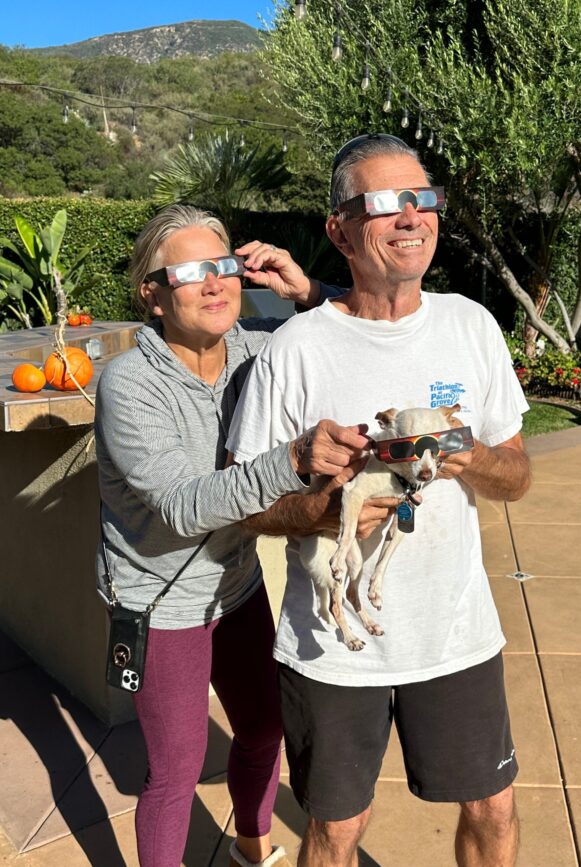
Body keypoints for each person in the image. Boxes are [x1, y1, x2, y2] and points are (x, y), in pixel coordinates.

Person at [226, 134, 532, 867]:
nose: (409, 217)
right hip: (333, 649)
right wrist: (327, 509)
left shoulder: (471, 326)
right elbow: (246, 507)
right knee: (336, 830)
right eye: (385, 203)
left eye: (421, 199)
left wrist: (473, 457)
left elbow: (516, 475)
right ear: (339, 229)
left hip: (455, 633)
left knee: (494, 808)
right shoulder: (294, 350)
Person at [94, 204, 384, 867]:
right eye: (191, 271)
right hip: (158, 603)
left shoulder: (257, 347)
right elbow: (181, 505)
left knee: (261, 726)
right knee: (176, 767)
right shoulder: (129, 385)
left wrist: (305, 289)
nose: (215, 282)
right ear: (153, 292)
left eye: (223, 265)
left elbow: (364, 329)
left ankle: (251, 848)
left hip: (236, 583)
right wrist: (290, 460)